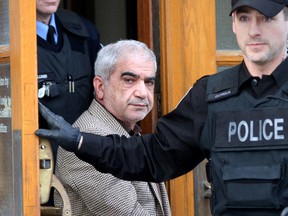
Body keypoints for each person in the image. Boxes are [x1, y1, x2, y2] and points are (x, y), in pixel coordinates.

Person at [36, 0, 288, 215]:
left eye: (266, 18)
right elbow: (153, 156)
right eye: (244, 18)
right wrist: (80, 142)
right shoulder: (210, 95)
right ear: (233, 24)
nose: (254, 30)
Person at [54, 40, 171, 216]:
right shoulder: (87, 138)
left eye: (149, 82)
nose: (142, 92)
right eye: (129, 80)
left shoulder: (128, 132)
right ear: (100, 87)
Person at [37, 0, 102, 126]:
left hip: (85, 140)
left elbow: (107, 89)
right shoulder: (8, 36)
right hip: (34, 143)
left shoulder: (84, 29)